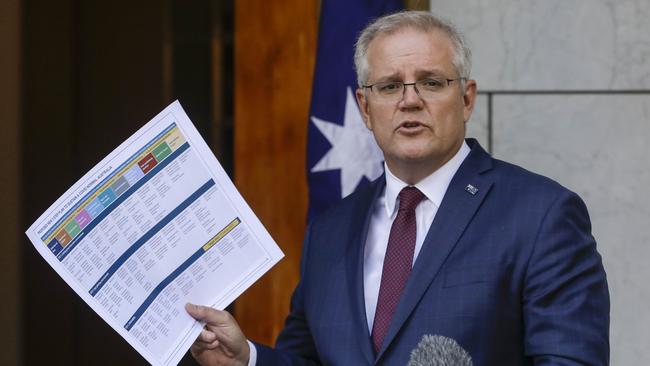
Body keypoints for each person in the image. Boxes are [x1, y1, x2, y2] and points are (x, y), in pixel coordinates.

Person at [186, 10, 610, 365]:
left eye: (430, 82)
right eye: (389, 86)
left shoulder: (541, 214)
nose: (409, 100)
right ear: (365, 109)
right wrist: (247, 359)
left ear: (466, 99)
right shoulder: (330, 230)